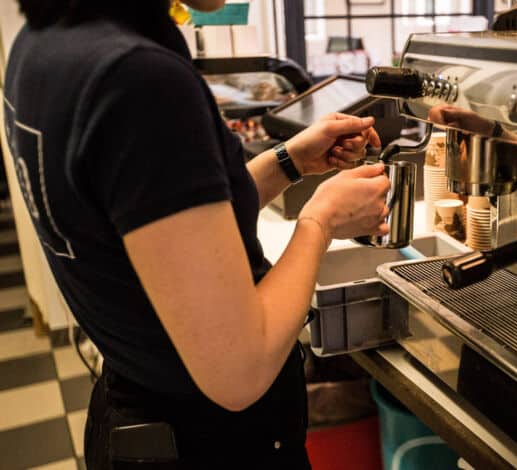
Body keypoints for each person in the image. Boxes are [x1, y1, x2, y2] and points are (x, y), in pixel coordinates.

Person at [3, 0, 391, 467]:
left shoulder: (45, 42)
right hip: (207, 442)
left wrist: (286, 163)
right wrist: (321, 220)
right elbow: (238, 371)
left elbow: (158, 221)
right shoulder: (138, 79)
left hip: (138, 418)